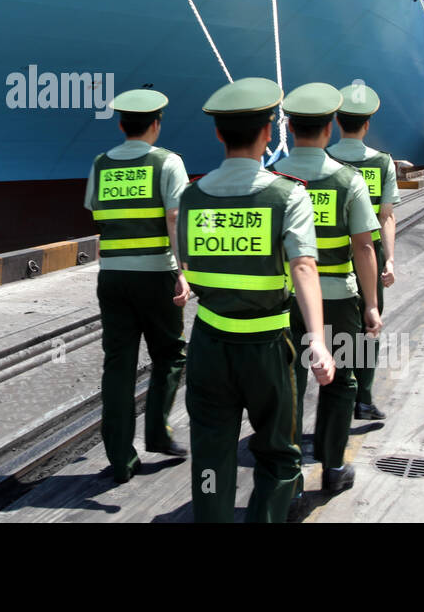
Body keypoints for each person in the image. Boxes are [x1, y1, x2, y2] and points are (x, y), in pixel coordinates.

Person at [178, 77, 335, 522]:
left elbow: (190, 263)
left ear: (217, 133)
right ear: (269, 132)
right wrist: (319, 343)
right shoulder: (288, 194)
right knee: (279, 454)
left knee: (210, 453)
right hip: (267, 348)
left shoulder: (191, 196)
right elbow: (304, 267)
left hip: (208, 344)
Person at [279, 82, 381, 498]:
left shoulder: (274, 178)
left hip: (283, 300)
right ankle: (334, 466)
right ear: (328, 130)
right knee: (343, 383)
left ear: (287, 126)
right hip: (339, 300)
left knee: (290, 383)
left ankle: (288, 479)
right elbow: (363, 247)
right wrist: (371, 305)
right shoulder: (348, 179)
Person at [84, 88, 190, 483]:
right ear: (156, 124)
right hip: (156, 274)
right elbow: (175, 216)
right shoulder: (167, 162)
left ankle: (119, 457)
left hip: (112, 276)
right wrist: (183, 270)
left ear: (121, 124)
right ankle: (159, 434)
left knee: (118, 365)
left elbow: (95, 210)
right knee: (171, 354)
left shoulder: (101, 163)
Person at [327, 82, 398, 422]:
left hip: (328, 255)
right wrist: (390, 260)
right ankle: (363, 400)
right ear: (367, 124)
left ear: (338, 122)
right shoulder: (383, 163)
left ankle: (337, 393)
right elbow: (386, 217)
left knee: (329, 329)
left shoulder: (324, 162)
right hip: (370, 254)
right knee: (369, 325)